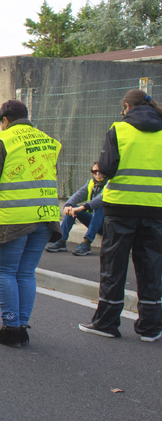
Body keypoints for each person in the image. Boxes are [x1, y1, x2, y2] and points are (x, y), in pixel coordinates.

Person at [78, 89, 162, 342]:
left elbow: (106, 169)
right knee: (151, 266)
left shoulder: (119, 129)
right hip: (156, 207)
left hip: (121, 208)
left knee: (114, 267)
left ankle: (107, 322)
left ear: (126, 107)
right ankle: (151, 327)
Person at [0, 99, 62, 347]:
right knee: (26, 272)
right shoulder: (48, 140)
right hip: (46, 215)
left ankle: (10, 327)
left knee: (5, 272)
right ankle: (22, 326)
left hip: (14, 216)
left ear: (4, 120)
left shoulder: (2, 140)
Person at [46, 161, 105, 256]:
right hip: (95, 222)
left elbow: (101, 200)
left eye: (100, 171)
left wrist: (82, 208)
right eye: (95, 171)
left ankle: (87, 242)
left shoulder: (111, 185)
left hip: (108, 225)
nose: (97, 174)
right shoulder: (91, 183)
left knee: (99, 208)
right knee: (72, 208)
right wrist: (68, 205)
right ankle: (61, 240)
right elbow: (77, 195)